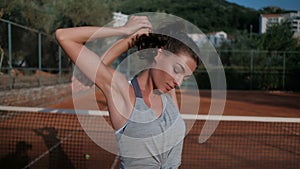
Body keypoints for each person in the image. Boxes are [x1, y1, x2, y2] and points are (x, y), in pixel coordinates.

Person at [56, 16, 200, 169]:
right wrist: (124, 32)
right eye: (177, 70)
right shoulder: (123, 93)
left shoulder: (168, 96)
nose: (178, 82)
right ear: (159, 53)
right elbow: (64, 36)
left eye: (185, 77)